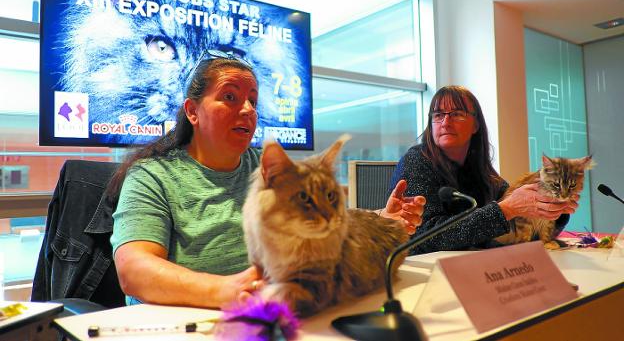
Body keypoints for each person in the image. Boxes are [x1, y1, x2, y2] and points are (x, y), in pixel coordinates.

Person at [108, 55, 425, 309]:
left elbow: (318, 226)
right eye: (230, 97)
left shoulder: (268, 167)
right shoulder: (152, 175)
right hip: (191, 320)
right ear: (192, 111)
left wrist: (382, 224)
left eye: (253, 101)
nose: (246, 110)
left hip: (276, 311)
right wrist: (223, 290)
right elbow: (133, 270)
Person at [388, 85, 578, 255]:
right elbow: (424, 237)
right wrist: (506, 210)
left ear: (476, 125)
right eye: (438, 115)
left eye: (456, 114)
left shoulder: (479, 168)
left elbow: (521, 227)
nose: (445, 122)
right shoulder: (416, 162)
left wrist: (551, 207)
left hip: (473, 268)